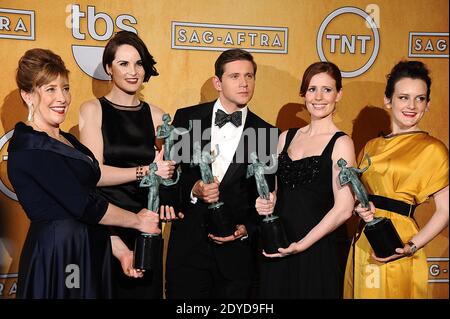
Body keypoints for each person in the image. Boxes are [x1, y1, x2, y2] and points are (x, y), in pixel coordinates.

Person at [8, 48, 160, 299]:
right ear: (27, 95)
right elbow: (84, 206)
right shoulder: (30, 147)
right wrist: (137, 220)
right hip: (61, 256)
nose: (62, 98)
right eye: (50, 89)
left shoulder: (67, 140)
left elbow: (89, 198)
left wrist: (120, 250)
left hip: (89, 248)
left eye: (65, 88)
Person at [165, 48, 279, 298]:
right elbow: (171, 177)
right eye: (235, 76)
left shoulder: (266, 132)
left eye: (249, 76)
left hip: (236, 257)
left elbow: (265, 196)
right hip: (189, 251)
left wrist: (246, 229)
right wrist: (194, 188)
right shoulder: (188, 118)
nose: (244, 83)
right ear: (218, 82)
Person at [79, 31, 177, 299]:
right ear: (109, 68)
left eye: (138, 63)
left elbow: (171, 171)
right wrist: (146, 171)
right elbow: (94, 174)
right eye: (123, 63)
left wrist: (168, 177)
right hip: (106, 226)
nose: (133, 71)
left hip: (147, 226)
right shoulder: (92, 110)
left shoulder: (159, 115)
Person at [344, 61, 449, 299]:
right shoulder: (371, 145)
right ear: (388, 100)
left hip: (399, 241)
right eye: (403, 97)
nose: (411, 106)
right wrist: (358, 207)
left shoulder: (434, 149)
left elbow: (445, 210)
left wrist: (411, 246)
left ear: (428, 104)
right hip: (365, 238)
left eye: (420, 98)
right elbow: (355, 195)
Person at [255, 61, 355, 298]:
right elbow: (278, 192)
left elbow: (344, 208)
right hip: (279, 244)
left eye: (327, 90)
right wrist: (267, 201)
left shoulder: (341, 142)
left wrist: (302, 245)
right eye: (312, 89)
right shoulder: (285, 137)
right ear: (304, 94)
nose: (318, 97)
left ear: (338, 94)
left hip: (317, 249)